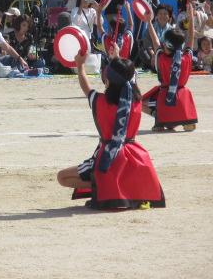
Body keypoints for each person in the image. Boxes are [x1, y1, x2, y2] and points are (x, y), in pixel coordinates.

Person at [56, 48, 165, 210]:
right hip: (133, 155)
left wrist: (80, 65)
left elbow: (86, 87)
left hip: (108, 154)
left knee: (62, 177)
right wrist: (118, 57)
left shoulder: (100, 101)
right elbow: (128, 75)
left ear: (107, 80)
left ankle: (101, 189)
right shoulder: (135, 101)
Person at [141, 3, 198, 132]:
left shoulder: (162, 58)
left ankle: (159, 118)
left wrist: (149, 22)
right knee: (178, 117)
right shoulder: (186, 58)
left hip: (165, 95)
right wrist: (191, 17)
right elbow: (190, 38)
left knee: (138, 102)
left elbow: (155, 41)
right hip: (183, 96)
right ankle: (185, 120)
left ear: (166, 45)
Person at [138, 3, 174, 71]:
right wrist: (154, 55)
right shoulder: (151, 27)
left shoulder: (172, 29)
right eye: (160, 13)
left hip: (165, 54)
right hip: (153, 54)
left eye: (165, 13)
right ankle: (156, 66)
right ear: (156, 15)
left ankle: (159, 66)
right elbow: (147, 44)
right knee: (142, 52)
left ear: (169, 16)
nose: (162, 16)